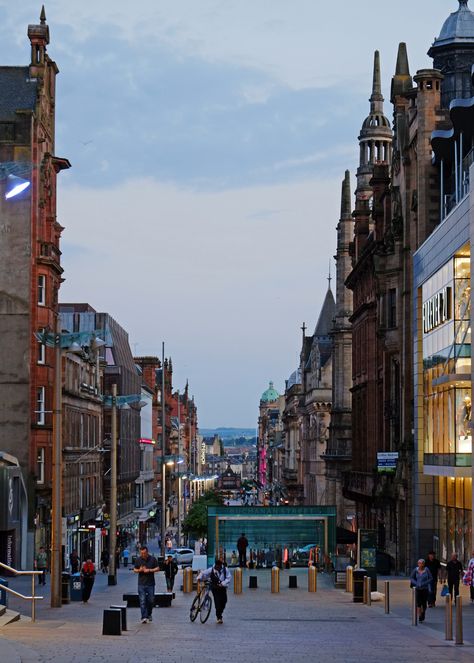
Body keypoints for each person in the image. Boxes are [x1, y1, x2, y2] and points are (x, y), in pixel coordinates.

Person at [198, 558, 231, 624]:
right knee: (217, 602)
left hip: (222, 588)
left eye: (219, 567)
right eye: (216, 567)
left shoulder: (225, 570)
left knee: (224, 601)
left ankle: (220, 612)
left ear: (221, 566)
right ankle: (219, 617)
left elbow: (228, 578)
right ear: (215, 565)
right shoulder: (211, 570)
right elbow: (203, 573)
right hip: (215, 588)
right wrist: (199, 578)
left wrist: (223, 583)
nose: (217, 568)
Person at [133, 545, 159, 624]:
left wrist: (149, 570)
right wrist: (139, 570)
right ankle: (144, 617)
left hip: (151, 583)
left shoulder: (153, 559)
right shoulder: (138, 560)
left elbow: (157, 568)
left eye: (144, 553)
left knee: (151, 600)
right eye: (141, 553)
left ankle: (149, 613)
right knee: (142, 600)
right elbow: (134, 569)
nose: (143, 555)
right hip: (141, 583)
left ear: (147, 552)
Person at [410, 558, 433, 623]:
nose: (421, 565)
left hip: (425, 589)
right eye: (419, 563)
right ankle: (420, 616)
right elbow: (411, 578)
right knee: (418, 603)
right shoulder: (415, 570)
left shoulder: (426, 570)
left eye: (422, 563)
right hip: (417, 589)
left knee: (424, 604)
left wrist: (424, 583)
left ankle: (423, 613)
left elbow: (431, 578)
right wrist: (416, 583)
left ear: (424, 564)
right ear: (418, 564)